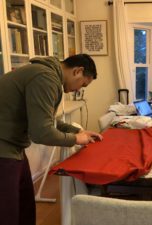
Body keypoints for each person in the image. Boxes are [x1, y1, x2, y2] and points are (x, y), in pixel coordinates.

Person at [0, 54, 103, 225]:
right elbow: (41, 133)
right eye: (82, 84)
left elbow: (47, 120)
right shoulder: (45, 77)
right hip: (4, 146)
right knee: (7, 212)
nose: (78, 90)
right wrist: (76, 138)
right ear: (78, 71)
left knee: (25, 206)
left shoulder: (45, 74)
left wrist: (78, 131)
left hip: (12, 145)